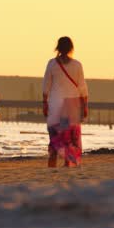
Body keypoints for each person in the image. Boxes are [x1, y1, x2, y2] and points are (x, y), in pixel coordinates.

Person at [43, 36, 89, 168]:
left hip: (56, 105)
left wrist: (45, 103)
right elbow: (82, 88)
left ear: (57, 47)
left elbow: (46, 85)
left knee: (55, 138)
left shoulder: (51, 64)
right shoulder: (77, 65)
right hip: (71, 106)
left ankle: (52, 164)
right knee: (68, 138)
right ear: (71, 48)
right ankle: (67, 164)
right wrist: (85, 107)